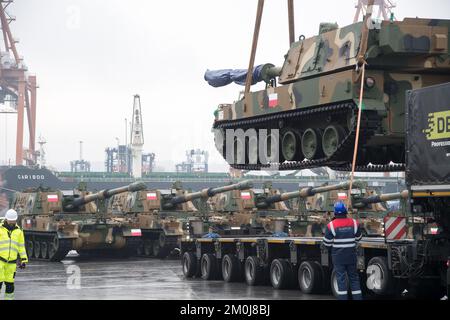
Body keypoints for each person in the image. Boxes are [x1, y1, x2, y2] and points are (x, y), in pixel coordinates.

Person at [322, 201, 363, 300]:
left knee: (341, 280)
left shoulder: (331, 225)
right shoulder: (354, 223)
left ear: (335, 212)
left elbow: (327, 244)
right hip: (351, 256)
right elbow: (359, 238)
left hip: (338, 257)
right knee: (354, 279)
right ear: (346, 211)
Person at [0, 209, 28, 300]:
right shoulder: (0, 229)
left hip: (11, 264)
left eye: (13, 220)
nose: (12, 222)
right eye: (10, 220)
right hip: (0, 261)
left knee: (10, 285)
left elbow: (21, 246)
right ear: (6, 219)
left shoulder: (19, 231)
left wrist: (24, 260)